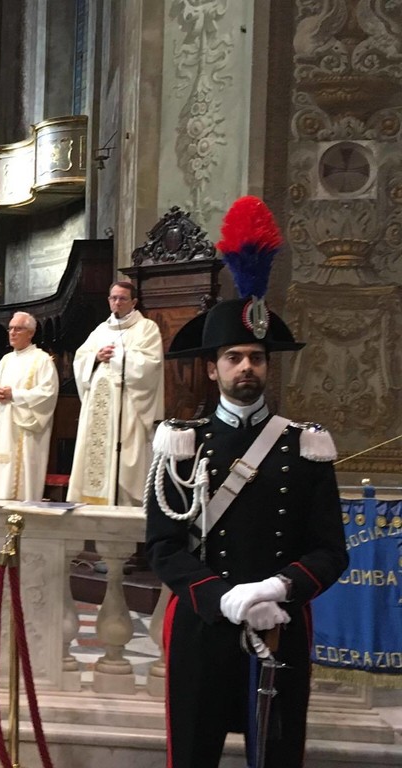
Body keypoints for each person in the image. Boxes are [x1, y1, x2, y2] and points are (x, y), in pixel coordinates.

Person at [144, 196, 348, 768]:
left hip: (280, 623)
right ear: (213, 368)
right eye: (233, 357)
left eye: (256, 357)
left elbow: (331, 551)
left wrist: (276, 589)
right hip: (203, 623)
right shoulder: (181, 443)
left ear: (267, 365)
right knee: (193, 754)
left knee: (278, 754)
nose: (246, 368)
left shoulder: (305, 446)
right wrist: (223, 597)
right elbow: (163, 547)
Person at [68, 282, 164, 506]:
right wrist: (95, 357)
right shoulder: (101, 330)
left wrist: (118, 354)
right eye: (113, 298)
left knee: (126, 459)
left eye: (122, 298)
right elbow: (80, 359)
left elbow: (151, 364)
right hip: (99, 407)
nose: (117, 303)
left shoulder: (146, 328)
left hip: (128, 406)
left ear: (134, 302)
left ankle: (125, 503)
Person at [0, 311, 59, 501]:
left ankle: (21, 511)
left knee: (22, 473)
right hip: (4, 423)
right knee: (1, 466)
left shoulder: (42, 360)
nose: (12, 333)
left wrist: (14, 395)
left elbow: (48, 393)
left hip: (26, 428)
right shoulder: (6, 360)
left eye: (18, 329)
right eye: (10, 328)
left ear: (31, 333)